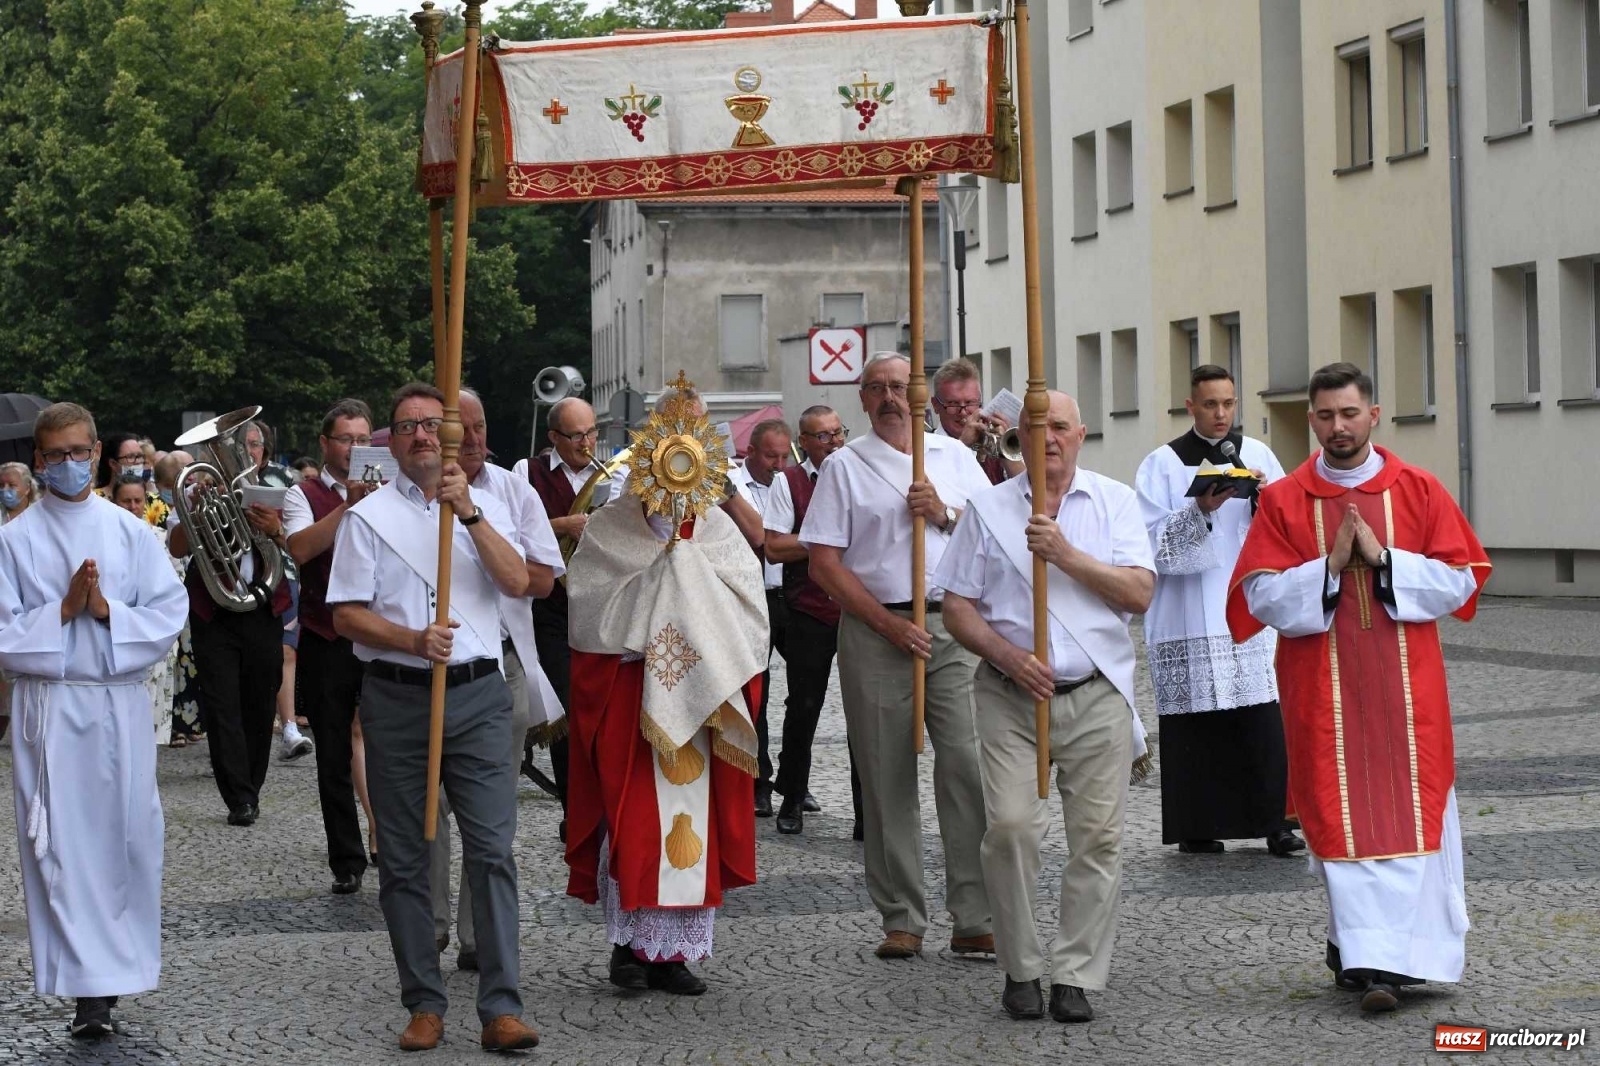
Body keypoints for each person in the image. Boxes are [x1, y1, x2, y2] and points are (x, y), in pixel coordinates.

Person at [1227, 362, 1489, 1014]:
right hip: (1325, 693)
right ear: (1310, 420)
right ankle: (1362, 951)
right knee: (1338, 820)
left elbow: (1461, 581)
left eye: (1349, 414)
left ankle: (1389, 963)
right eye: (1325, 416)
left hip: (1408, 700)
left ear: (1374, 415)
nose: (1337, 428)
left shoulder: (1419, 490)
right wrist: (1330, 566)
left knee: (1409, 816)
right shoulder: (1287, 500)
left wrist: (1385, 561)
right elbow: (1259, 596)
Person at [327, 382, 540, 1053]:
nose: (420, 435)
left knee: (492, 851)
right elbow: (345, 614)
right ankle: (423, 999)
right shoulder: (368, 519)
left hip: (477, 696)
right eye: (406, 427)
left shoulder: (486, 506)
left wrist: (470, 516)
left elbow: (521, 582)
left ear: (448, 436)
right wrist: (412, 639)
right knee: (407, 857)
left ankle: (501, 1004)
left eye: (431, 425)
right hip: (396, 696)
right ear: (390, 442)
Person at [936, 390, 1154, 1024]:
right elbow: (957, 608)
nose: (1049, 437)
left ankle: (1076, 975)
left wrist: (1066, 556)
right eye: (1036, 427)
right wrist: (1007, 655)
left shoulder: (1114, 502)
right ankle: (1021, 966)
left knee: (1099, 841)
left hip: (1095, 693)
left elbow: (1139, 592)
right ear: (1019, 437)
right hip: (1010, 695)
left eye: (1060, 426)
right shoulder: (988, 508)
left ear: (1081, 434)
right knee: (1008, 830)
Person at [564, 379, 767, 998]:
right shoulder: (610, 527)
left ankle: (674, 954)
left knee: (690, 825)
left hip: (701, 704)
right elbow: (589, 609)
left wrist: (689, 575)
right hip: (630, 700)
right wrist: (659, 588)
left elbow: (748, 613)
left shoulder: (719, 533)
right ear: (648, 451)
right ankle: (629, 948)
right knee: (633, 822)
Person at [0, 402, 187, 1039]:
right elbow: (2, 631)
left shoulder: (131, 532)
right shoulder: (14, 538)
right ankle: (86, 991)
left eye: (81, 452)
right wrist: (61, 610)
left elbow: (167, 613)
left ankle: (115, 977)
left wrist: (104, 610)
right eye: (57, 455)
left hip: (115, 703)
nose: (70, 465)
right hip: (50, 709)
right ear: (39, 460)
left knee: (126, 838)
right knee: (59, 849)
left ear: (98, 450)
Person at [800, 353, 994, 960]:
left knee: (966, 764)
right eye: (877, 388)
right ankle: (902, 914)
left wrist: (945, 513)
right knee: (885, 775)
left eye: (900, 386)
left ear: (920, 396)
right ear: (862, 398)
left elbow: (997, 538)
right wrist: (886, 624)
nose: (889, 397)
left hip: (952, 627)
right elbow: (824, 564)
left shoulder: (957, 459)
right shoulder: (845, 467)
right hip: (875, 628)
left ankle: (975, 911)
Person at [1135, 365, 1302, 857]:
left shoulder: (1259, 455)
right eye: (1210, 404)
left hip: (1247, 606)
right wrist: (1200, 511)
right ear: (1190, 406)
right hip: (1189, 609)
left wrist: (1269, 503)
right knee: (1197, 726)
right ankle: (1198, 825)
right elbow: (1148, 546)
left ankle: (1275, 822)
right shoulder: (1161, 465)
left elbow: (1290, 528)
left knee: (1261, 720)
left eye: (1228, 403)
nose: (1221, 414)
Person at [429, 387, 563, 972]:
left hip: (499, 663)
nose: (475, 440)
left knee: (491, 811)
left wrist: (484, 536)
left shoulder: (515, 490)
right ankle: (426, 926)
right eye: (463, 430)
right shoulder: (408, 490)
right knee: (425, 808)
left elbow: (543, 579)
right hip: (425, 666)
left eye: (480, 427)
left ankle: (478, 937)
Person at [284, 399, 379, 895]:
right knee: (333, 752)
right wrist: (351, 504)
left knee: (383, 741)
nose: (356, 448)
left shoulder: (392, 486)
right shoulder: (304, 493)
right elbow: (300, 549)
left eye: (364, 439)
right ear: (326, 444)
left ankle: (386, 834)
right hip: (326, 635)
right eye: (347, 439)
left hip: (379, 631)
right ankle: (347, 858)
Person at [168, 446, 292, 827]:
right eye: (240, 448)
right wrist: (195, 514)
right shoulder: (195, 493)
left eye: (252, 446)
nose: (245, 454)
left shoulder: (280, 488)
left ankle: (251, 784)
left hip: (262, 602)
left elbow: (294, 543)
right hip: (216, 607)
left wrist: (273, 524)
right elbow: (176, 546)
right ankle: (239, 797)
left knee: (260, 697)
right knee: (222, 704)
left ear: (263, 452)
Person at [760, 405, 860, 836]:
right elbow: (775, 548)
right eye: (823, 436)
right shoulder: (789, 481)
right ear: (803, 442)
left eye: (838, 433)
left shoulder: (861, 472)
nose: (834, 442)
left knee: (865, 712)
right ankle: (793, 797)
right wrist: (825, 538)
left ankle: (867, 810)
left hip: (859, 608)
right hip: (809, 610)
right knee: (803, 708)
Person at [512, 396, 601, 837]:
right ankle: (574, 810)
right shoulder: (526, 473)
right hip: (552, 611)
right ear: (553, 438)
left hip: (603, 610)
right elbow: (510, 534)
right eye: (576, 435)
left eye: (592, 432)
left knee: (601, 712)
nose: (587, 443)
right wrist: (564, 525)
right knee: (567, 713)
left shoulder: (615, 475)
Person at [728, 418, 791, 818]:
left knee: (803, 695)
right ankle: (759, 781)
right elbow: (759, 539)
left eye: (785, 456)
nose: (779, 464)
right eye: (771, 456)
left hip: (792, 596)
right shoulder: (731, 484)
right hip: (750, 597)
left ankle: (793, 782)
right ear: (750, 452)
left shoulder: (793, 481)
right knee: (757, 691)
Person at [930, 358, 1021, 486]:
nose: (962, 412)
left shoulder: (991, 444)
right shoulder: (924, 448)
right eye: (953, 404)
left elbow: (1029, 493)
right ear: (935, 405)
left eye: (970, 403)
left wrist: (1004, 448)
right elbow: (938, 488)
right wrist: (963, 445)